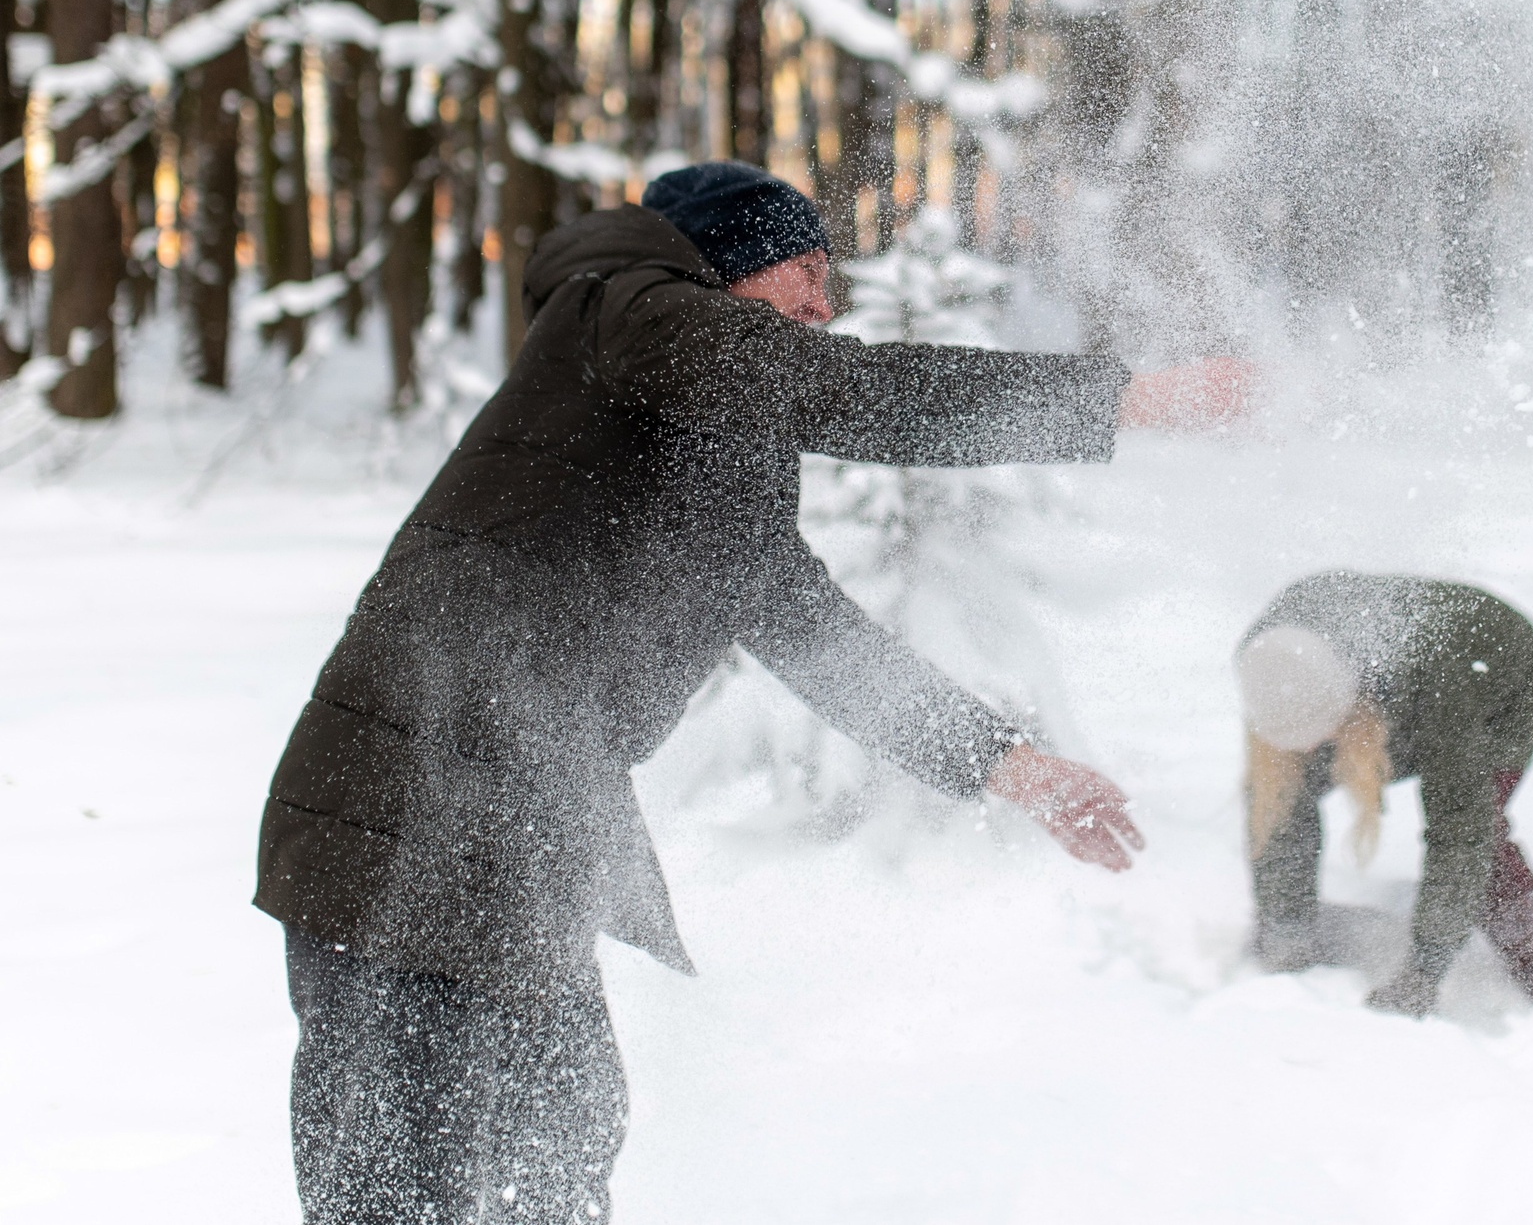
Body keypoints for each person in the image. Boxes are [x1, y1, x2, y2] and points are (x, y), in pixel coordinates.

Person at [256, 162, 1218, 1223]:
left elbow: (810, 627)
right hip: (406, 813)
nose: (824, 302)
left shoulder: (703, 438)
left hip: (521, 831)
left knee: (560, 1149)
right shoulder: (625, 312)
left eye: (830, 276)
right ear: (721, 267)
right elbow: (847, 390)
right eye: (802, 271)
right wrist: (1123, 399)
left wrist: (1008, 765)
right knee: (409, 1184)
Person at [1236, 570, 1533, 1016]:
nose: (1308, 749)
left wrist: (1424, 970)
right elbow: (1274, 802)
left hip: (1495, 674)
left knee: (1480, 824)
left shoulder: (1443, 682)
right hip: (1387, 694)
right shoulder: (1273, 662)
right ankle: (1289, 928)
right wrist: (1283, 929)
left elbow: (1461, 832)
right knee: (1284, 785)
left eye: (1318, 733)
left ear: (1351, 703)